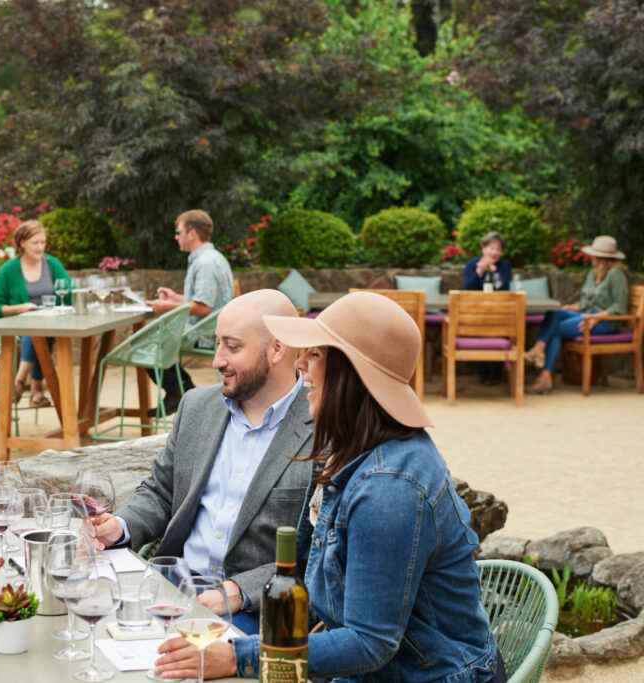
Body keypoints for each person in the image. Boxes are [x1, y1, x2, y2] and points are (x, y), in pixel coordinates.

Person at [152, 291, 504, 682]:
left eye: (316, 355)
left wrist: (240, 657)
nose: (300, 365)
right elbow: (303, 567)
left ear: (351, 373)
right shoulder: (345, 450)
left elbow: (369, 643)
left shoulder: (389, 488)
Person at [91, 289, 317, 634]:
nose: (217, 360)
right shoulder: (197, 406)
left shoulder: (324, 428)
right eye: (217, 344)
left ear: (277, 349)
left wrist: (238, 592)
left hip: (256, 611)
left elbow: (321, 556)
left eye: (233, 346)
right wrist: (119, 527)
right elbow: (161, 491)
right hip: (172, 587)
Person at [147, 209, 234, 415]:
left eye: (179, 232)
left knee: (147, 345)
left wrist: (165, 307)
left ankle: (182, 393)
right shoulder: (211, 257)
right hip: (205, 330)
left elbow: (203, 308)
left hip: (205, 336)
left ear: (192, 233)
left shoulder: (206, 263)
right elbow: (202, 301)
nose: (176, 237)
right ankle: (181, 392)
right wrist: (176, 298)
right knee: (154, 341)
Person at [0, 219, 72, 407]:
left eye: (43, 242)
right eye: (35, 243)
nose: (40, 247)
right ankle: (36, 389)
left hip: (49, 324)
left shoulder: (53, 264)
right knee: (35, 332)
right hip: (19, 326)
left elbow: (68, 291)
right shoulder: (9, 269)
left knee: (41, 331)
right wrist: (21, 308)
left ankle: (20, 378)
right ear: (22, 243)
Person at [527, 235, 629, 394]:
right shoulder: (592, 273)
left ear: (601, 257)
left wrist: (597, 317)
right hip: (587, 316)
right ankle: (544, 369)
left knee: (555, 330)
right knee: (554, 313)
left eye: (593, 254)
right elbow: (587, 303)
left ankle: (542, 363)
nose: (590, 257)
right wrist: (573, 307)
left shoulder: (616, 275)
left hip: (606, 322)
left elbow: (619, 307)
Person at [462, 231, 513, 384]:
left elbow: (505, 289)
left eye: (498, 249)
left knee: (498, 329)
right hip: (476, 312)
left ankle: (496, 375)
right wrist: (480, 271)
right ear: (483, 248)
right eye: (491, 248)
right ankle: (483, 374)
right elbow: (467, 289)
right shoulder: (472, 264)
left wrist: (495, 273)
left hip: (499, 312)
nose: (495, 252)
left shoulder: (504, 266)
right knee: (479, 329)